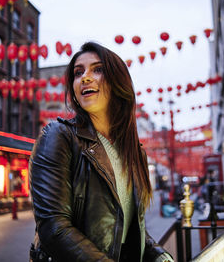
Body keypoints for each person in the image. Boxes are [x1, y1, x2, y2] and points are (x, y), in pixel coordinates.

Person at [29, 42, 173, 262]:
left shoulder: (134, 152)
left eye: (97, 69)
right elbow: (54, 227)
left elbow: (126, 227)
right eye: (78, 72)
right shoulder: (58, 136)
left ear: (118, 83)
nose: (85, 77)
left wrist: (160, 255)